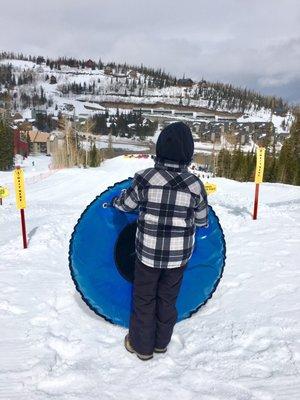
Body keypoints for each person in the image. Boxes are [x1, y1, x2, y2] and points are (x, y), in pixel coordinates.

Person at [113, 122, 208, 361]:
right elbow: (201, 220)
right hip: (178, 258)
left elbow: (127, 205)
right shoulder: (195, 185)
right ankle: (160, 345)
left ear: (159, 149)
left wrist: (116, 201)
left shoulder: (144, 178)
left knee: (144, 298)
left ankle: (141, 347)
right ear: (189, 154)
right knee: (167, 299)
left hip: (147, 254)